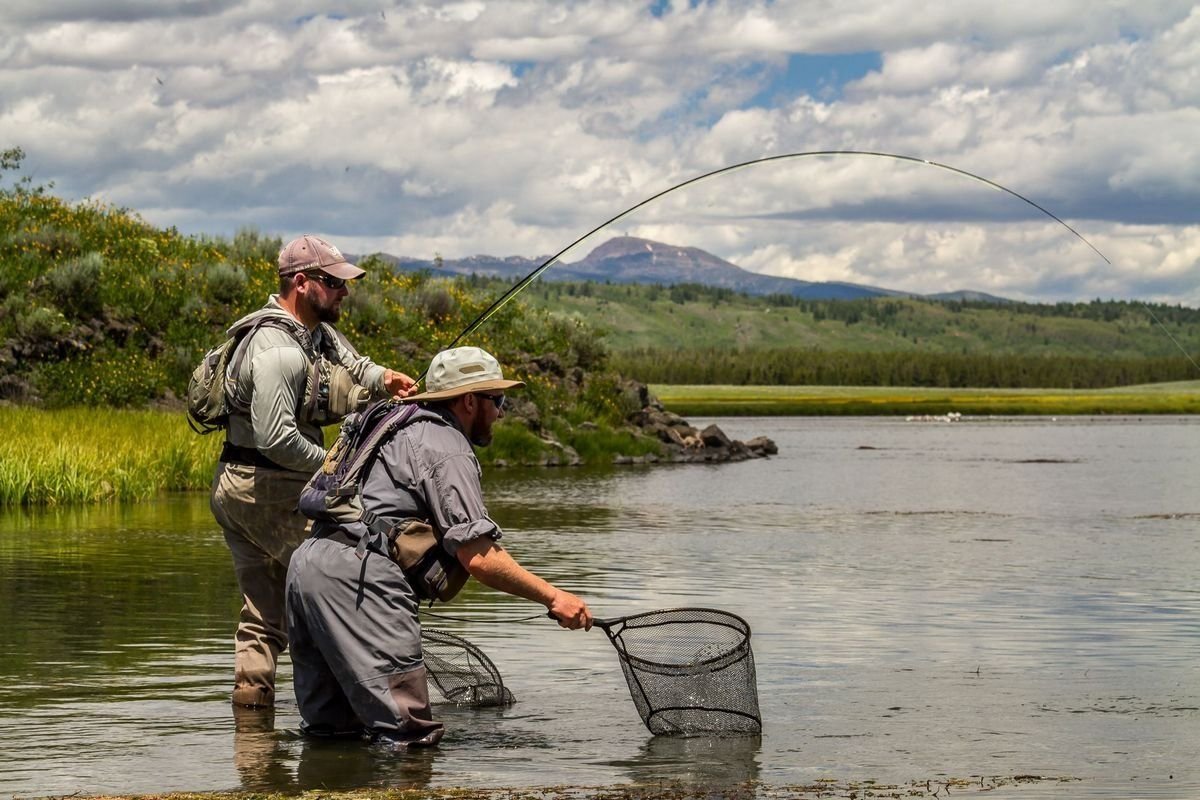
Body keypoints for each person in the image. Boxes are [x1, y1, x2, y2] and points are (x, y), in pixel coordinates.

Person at [285, 346, 593, 747]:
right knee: (408, 737)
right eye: (497, 400)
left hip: (308, 565)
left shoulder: (391, 422)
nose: (501, 411)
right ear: (469, 401)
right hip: (360, 579)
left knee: (331, 734)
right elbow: (479, 557)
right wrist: (554, 597)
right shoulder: (444, 442)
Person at [210, 234, 417, 709]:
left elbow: (355, 364)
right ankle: (358, 710)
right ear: (302, 283)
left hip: (240, 485)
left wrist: (386, 380)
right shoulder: (277, 350)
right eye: (334, 283)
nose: (345, 292)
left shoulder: (315, 332)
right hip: (262, 487)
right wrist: (335, 468)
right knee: (343, 577)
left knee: (263, 615)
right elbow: (276, 438)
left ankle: (253, 742)